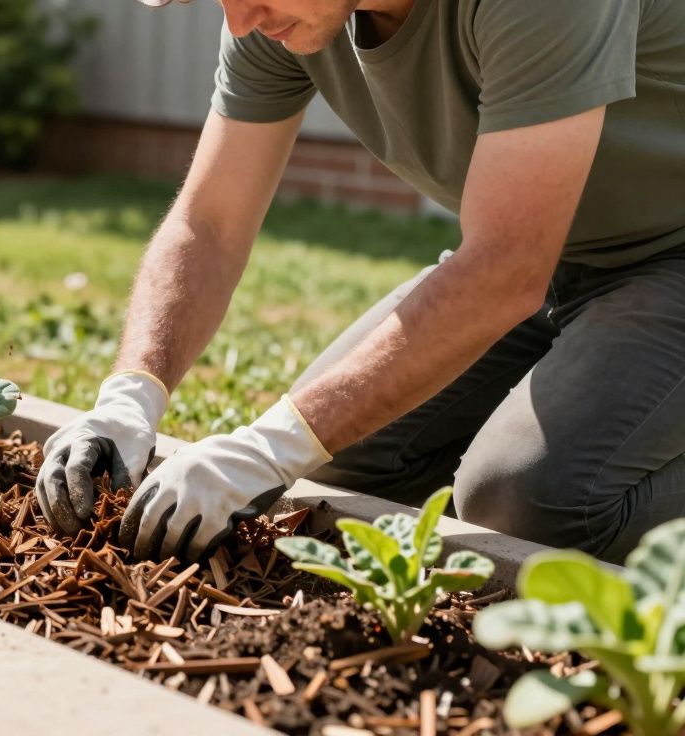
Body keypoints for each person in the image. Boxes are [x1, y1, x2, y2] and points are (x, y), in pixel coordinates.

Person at [34, 0, 685, 564]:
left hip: (665, 256)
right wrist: (131, 395)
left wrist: (268, 445)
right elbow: (210, 222)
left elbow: (504, 269)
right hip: (552, 262)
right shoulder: (275, 19)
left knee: (525, 502)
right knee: (333, 464)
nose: (238, 19)